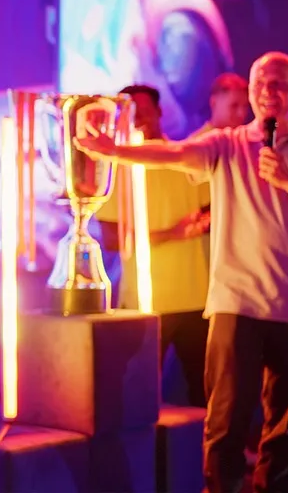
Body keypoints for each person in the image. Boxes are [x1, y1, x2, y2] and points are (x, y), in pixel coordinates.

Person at [75, 52, 288, 493]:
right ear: (250, 90)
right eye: (261, 83)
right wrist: (113, 150)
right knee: (223, 428)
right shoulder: (226, 144)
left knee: (284, 437)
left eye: (281, 84)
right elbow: (172, 152)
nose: (270, 92)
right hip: (235, 304)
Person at [95, 84, 211, 407]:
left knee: (205, 393)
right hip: (143, 303)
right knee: (140, 394)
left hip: (197, 299)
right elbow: (112, 239)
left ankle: (206, 457)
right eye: (129, 110)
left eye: (144, 109)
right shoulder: (117, 170)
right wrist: (172, 233)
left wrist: (202, 222)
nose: (138, 117)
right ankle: (145, 458)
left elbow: (215, 209)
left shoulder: (187, 158)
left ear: (160, 112)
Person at [193, 72, 251, 137]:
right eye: (234, 106)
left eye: (245, 106)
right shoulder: (197, 143)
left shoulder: (243, 140)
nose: (242, 113)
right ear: (214, 103)